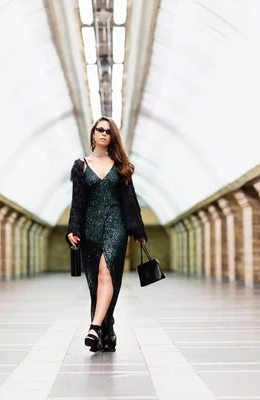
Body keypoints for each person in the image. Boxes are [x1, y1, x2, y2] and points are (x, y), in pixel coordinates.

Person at [66, 117, 147, 352]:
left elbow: (129, 200)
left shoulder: (121, 166)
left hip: (116, 226)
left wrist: (137, 228)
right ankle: (106, 330)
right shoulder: (80, 166)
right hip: (90, 228)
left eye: (108, 131)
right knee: (95, 283)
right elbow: (77, 202)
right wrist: (73, 229)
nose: (103, 133)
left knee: (106, 273)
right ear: (92, 134)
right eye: (99, 130)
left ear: (112, 137)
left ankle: (93, 327)